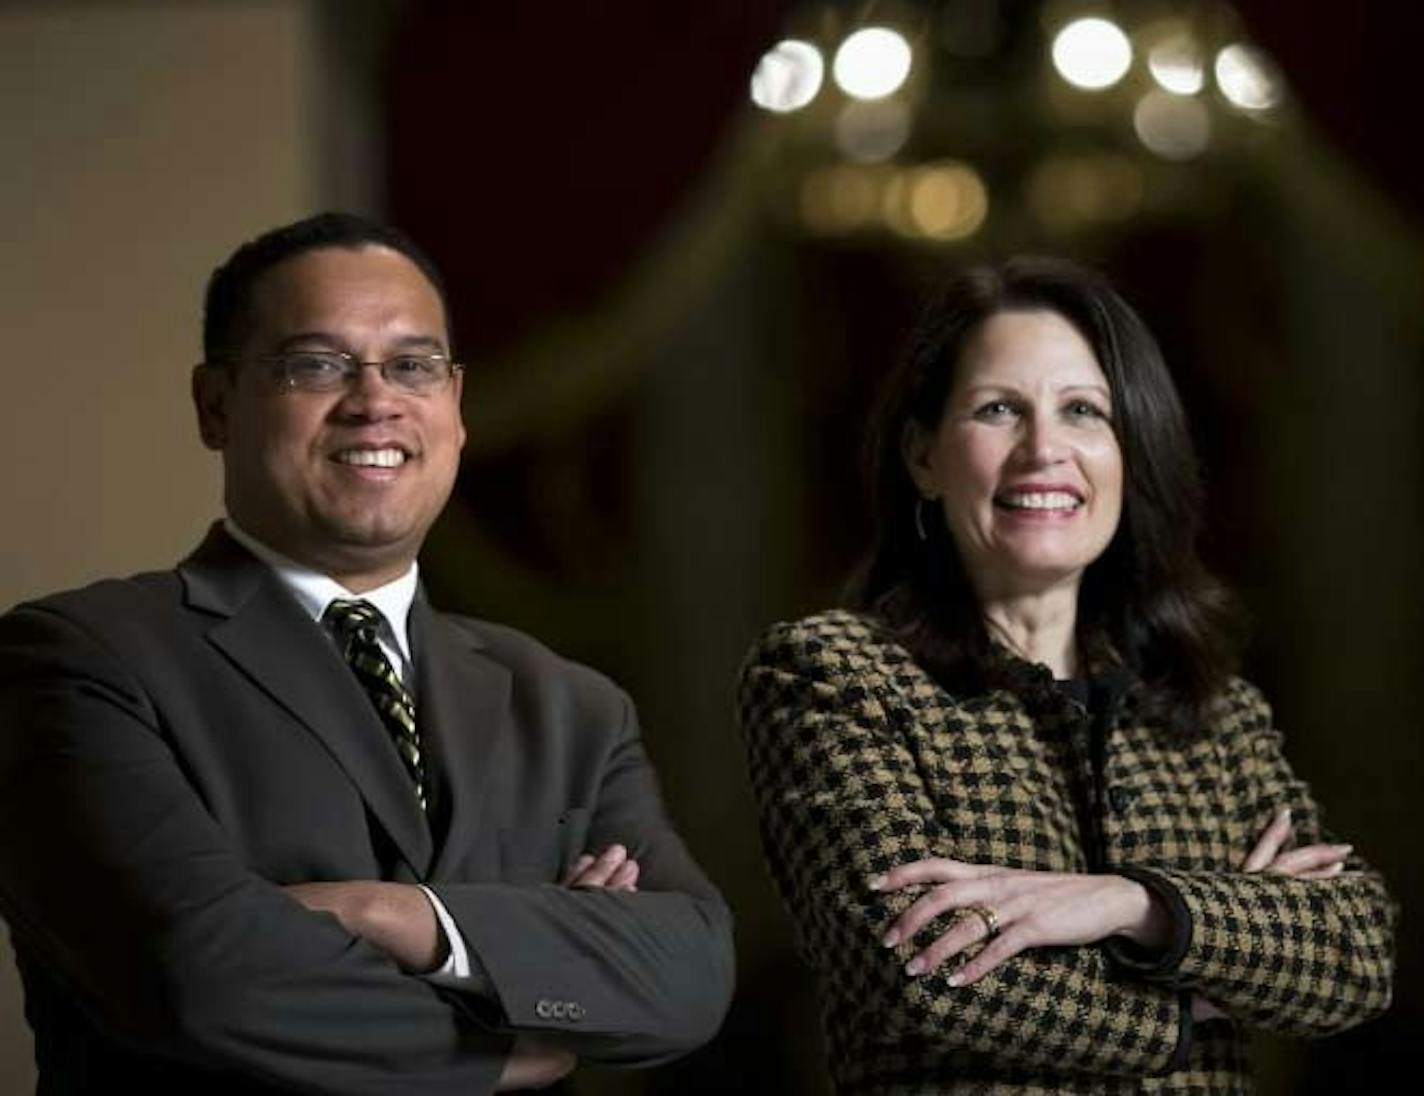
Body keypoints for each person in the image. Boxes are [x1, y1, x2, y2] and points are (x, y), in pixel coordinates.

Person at [0, 212, 734, 1094]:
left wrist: (382, 913)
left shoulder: (569, 704)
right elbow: (196, 974)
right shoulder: (79, 660)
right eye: (317, 365)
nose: (374, 400)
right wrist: (513, 1014)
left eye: (414, 367)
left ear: (455, 408)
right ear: (215, 405)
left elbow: (690, 978)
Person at [737, 257, 1395, 1092]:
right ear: (924, 456)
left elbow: (1357, 953)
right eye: (998, 409)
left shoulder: (1218, 711)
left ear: (1131, 453)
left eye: (1083, 411)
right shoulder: (833, 677)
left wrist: (1136, 903)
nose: (1043, 449)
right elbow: (914, 971)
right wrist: (1203, 996)